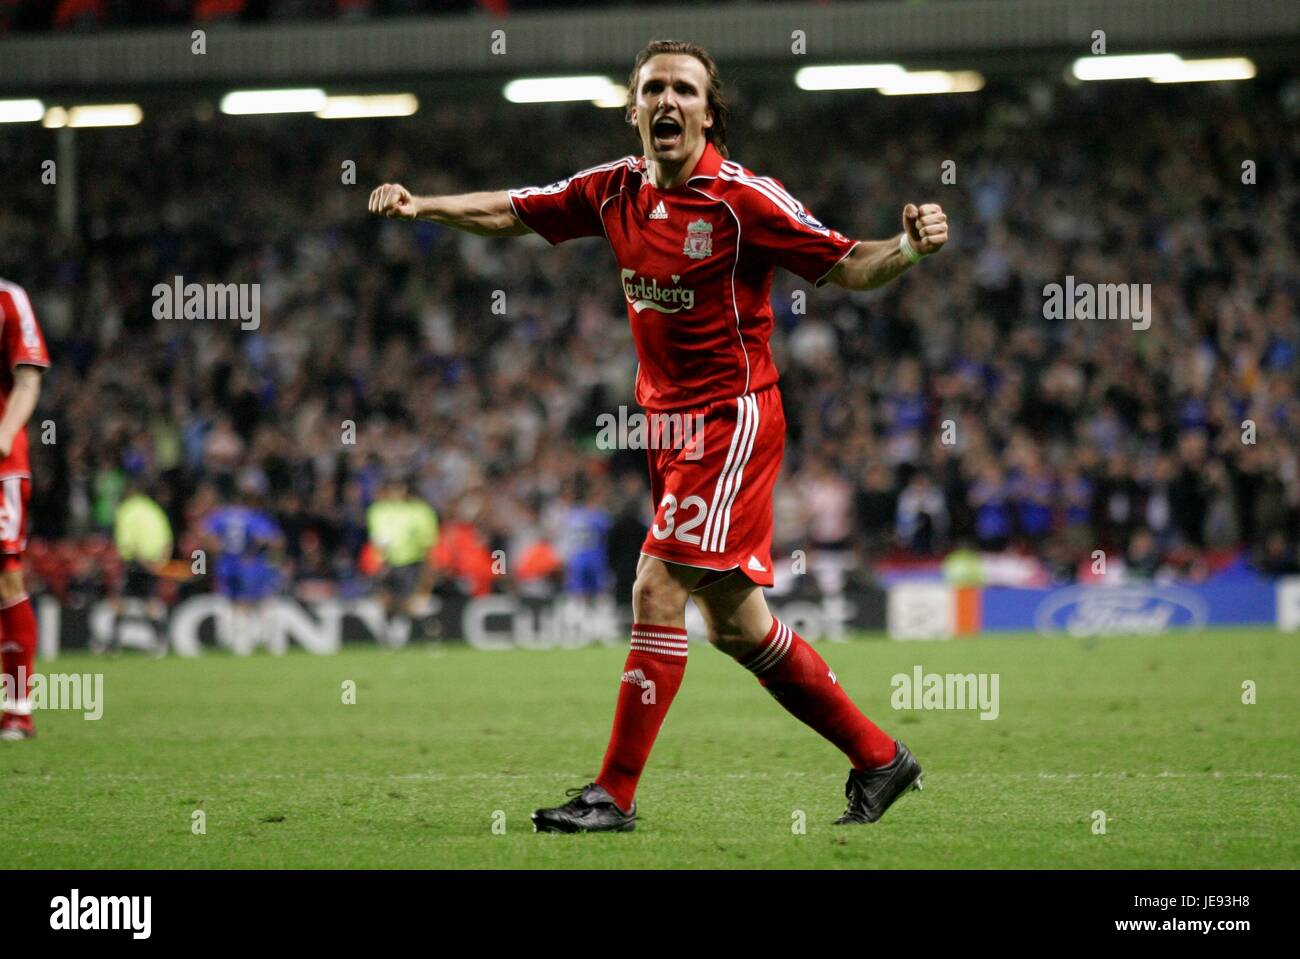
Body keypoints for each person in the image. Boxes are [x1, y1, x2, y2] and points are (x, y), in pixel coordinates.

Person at [368, 39, 949, 831]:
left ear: (710, 112)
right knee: (738, 627)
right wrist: (422, 205)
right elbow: (512, 209)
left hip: (730, 417)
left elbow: (848, 263)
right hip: (666, 427)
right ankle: (881, 759)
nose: (667, 101)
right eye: (653, 89)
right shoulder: (613, 191)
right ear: (633, 108)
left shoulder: (745, 200)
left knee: (654, 587)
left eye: (684, 89)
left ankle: (614, 792)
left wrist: (909, 246)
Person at [0, 279, 51, 740]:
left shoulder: (9, 299)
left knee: (5, 577)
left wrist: (5, 432)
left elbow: (28, 377)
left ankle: (17, 710)